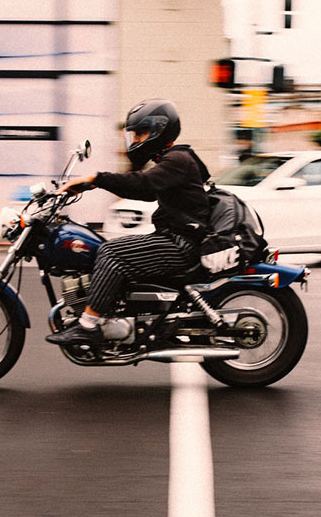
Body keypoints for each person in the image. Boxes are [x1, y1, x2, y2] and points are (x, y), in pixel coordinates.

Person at [46, 99, 210, 349]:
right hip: (175, 238)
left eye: (140, 133)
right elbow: (146, 191)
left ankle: (88, 326)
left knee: (110, 252)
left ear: (159, 130)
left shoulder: (178, 159)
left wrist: (97, 179)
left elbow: (143, 184)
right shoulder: (173, 161)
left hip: (181, 244)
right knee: (110, 249)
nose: (135, 140)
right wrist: (91, 184)